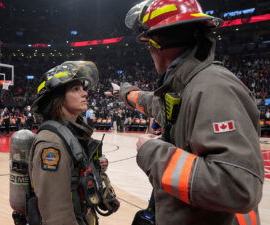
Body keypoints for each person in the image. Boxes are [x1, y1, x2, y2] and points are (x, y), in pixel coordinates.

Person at [107, 0, 264, 224]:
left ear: (157, 42)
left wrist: (152, 152)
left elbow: (238, 187)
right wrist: (123, 92)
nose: (149, 51)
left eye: (148, 44)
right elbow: (153, 103)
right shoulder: (186, 87)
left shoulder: (213, 87)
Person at [29, 61, 118, 225]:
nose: (85, 93)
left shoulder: (72, 133)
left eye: (83, 88)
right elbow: (56, 212)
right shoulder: (51, 143)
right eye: (76, 89)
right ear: (58, 98)